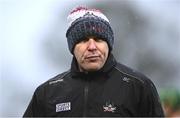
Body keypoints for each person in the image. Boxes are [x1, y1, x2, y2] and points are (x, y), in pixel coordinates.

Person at [23, 6, 164, 117]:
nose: (92, 47)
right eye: (84, 40)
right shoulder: (47, 93)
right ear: (72, 48)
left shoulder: (138, 86)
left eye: (98, 39)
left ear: (108, 45)